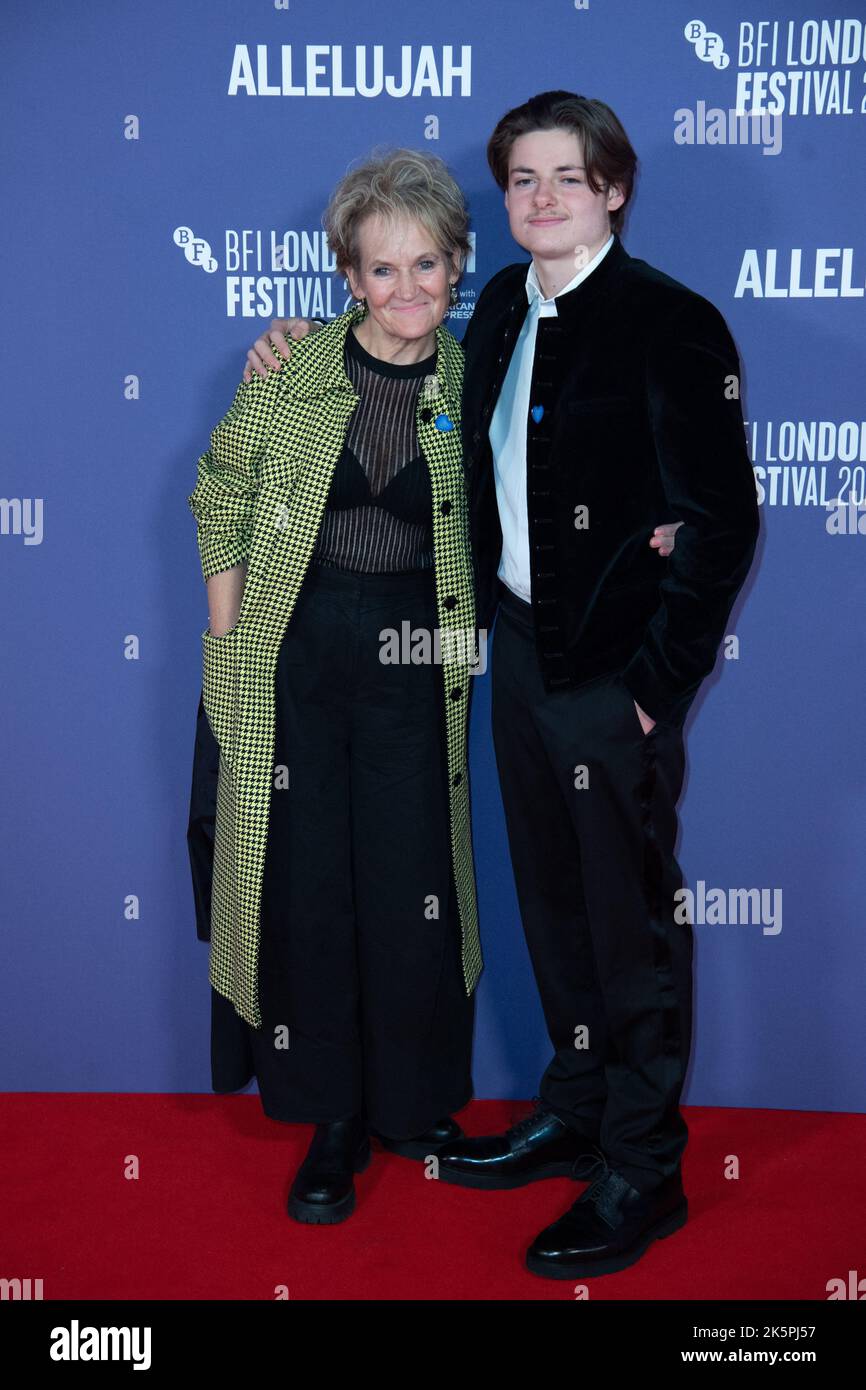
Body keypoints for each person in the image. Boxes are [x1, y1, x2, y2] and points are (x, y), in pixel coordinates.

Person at [243, 91, 758, 1278]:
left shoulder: (670, 324)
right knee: (553, 909)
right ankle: (575, 1113)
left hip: (609, 679)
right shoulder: (497, 322)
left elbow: (721, 523)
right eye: (520, 179)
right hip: (516, 656)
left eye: (563, 178)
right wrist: (287, 343)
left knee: (628, 929)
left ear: (612, 190)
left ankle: (641, 1165)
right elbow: (382, 372)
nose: (537, 198)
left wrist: (652, 686)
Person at [187, 149, 481, 1225]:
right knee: (307, 889)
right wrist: (229, 648)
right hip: (295, 656)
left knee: (413, 886)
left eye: (427, 265)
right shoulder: (290, 371)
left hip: (420, 660)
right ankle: (331, 1120)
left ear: (455, 265)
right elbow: (218, 496)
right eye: (382, 269)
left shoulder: (473, 377)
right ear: (348, 277)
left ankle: (410, 1105)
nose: (408, 290)